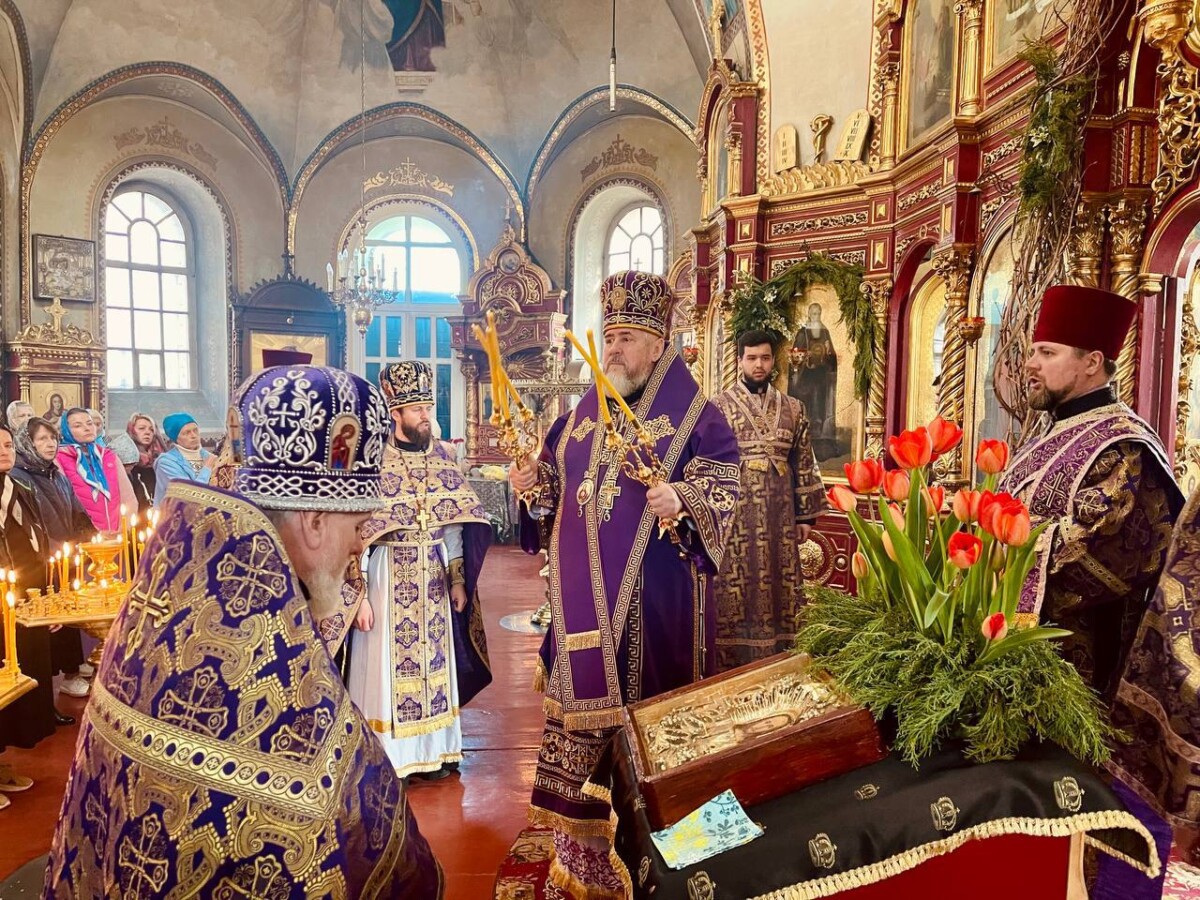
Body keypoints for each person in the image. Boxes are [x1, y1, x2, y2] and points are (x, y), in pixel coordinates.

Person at [45, 364, 443, 897]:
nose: (358, 545)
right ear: (314, 522)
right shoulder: (266, 654)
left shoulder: (188, 578)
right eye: (357, 525)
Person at [509, 271, 740, 897]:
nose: (613, 349)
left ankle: (678, 866)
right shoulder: (577, 420)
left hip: (657, 617)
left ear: (659, 345)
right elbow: (553, 499)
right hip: (580, 619)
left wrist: (685, 499)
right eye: (609, 337)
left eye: (628, 338)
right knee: (584, 743)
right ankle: (585, 864)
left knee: (659, 739)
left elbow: (725, 489)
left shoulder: (698, 418)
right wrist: (532, 485)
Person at [998, 285, 1184, 899]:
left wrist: (992, 551)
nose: (1031, 364)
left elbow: (1107, 550)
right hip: (1033, 655)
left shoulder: (1123, 445)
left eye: (1046, 352)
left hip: (1093, 669)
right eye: (1034, 351)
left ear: (1092, 363)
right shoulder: (1050, 435)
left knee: (1094, 816)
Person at [349, 360, 493, 779]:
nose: (426, 416)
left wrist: (458, 579)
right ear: (395, 414)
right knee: (385, 669)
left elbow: (454, 523)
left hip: (432, 574)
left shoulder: (444, 457)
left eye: (428, 408)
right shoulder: (372, 460)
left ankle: (435, 751)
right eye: (417, 410)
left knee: (435, 665)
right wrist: (357, 596)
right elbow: (355, 532)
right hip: (386, 575)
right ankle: (393, 757)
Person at [711, 329, 828, 671]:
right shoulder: (718, 407)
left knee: (780, 580)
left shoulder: (793, 408)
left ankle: (781, 659)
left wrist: (805, 517)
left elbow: (803, 461)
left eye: (764, 358)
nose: (758, 365)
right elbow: (709, 462)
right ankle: (729, 664)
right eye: (751, 358)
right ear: (739, 361)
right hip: (736, 515)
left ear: (773, 360)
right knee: (736, 581)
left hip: (780, 512)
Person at [11, 417, 95, 701]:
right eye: (42, 439)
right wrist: (58, 548)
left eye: (53, 438)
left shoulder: (54, 472)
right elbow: (35, 522)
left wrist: (87, 538)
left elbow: (76, 509)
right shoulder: (20, 476)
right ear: (27, 443)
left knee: (66, 613)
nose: (50, 444)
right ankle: (58, 679)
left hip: (64, 555)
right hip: (41, 560)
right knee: (50, 620)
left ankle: (72, 669)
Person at [0, 424, 57, 811]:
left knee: (17, 683)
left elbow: (36, 541)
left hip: (23, 598)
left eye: (8, 444)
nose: (5, 451)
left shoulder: (19, 488)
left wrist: (47, 596)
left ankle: (2, 761)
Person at [56, 407, 135, 532]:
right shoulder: (59, 458)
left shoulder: (108, 456)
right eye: (78, 425)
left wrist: (124, 529)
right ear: (65, 431)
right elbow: (62, 502)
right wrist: (89, 533)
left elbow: (128, 497)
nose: (87, 428)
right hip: (83, 535)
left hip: (117, 534)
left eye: (89, 423)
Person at [788, 303, 839, 460]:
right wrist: (805, 355)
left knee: (820, 406)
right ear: (809, 314)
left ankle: (818, 441)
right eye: (814, 313)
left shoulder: (825, 332)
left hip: (821, 376)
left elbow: (832, 358)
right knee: (807, 406)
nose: (816, 316)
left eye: (818, 313)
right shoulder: (802, 332)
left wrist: (828, 352)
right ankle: (802, 438)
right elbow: (794, 356)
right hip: (805, 377)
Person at [152, 412, 213, 504]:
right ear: (176, 438)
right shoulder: (166, 462)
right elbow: (189, 495)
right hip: (174, 512)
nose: (193, 435)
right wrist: (207, 468)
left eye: (195, 430)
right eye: (186, 433)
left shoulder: (208, 456)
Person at [121, 413, 166, 511]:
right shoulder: (124, 463)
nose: (147, 432)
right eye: (142, 428)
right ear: (132, 431)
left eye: (151, 429)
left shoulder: (162, 461)